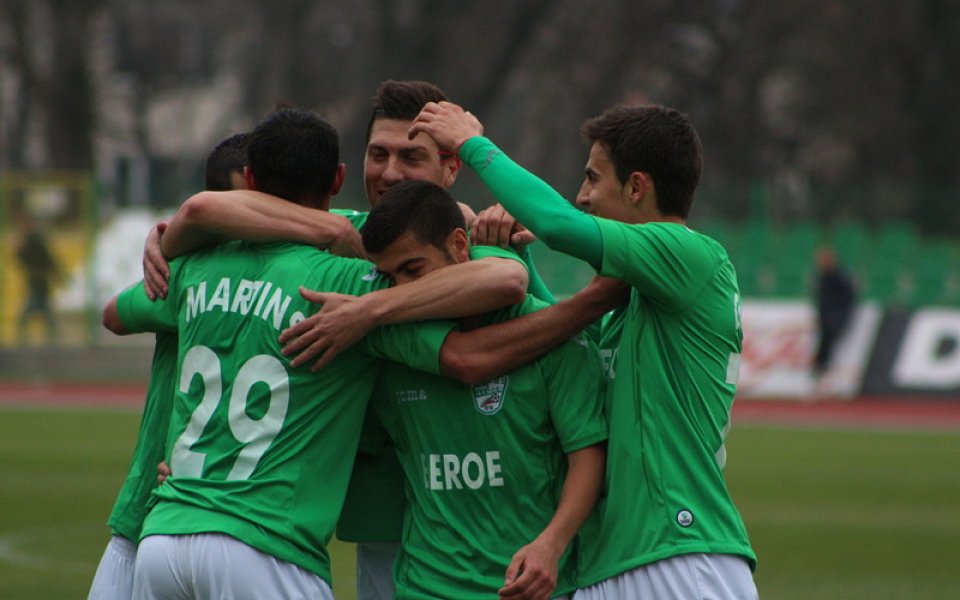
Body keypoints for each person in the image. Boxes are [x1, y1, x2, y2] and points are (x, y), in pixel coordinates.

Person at [140, 79, 556, 600]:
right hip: (384, 520)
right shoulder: (341, 239)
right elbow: (203, 213)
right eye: (377, 153)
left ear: (452, 169)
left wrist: (368, 311)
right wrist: (167, 236)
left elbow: (506, 285)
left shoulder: (470, 244)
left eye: (411, 156)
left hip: (490, 524)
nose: (389, 171)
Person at [410, 101, 758, 599]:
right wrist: (521, 259)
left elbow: (557, 223)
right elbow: (569, 341)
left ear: (637, 187)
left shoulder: (692, 255)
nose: (582, 195)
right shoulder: (632, 301)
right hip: (609, 563)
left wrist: (471, 142)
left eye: (593, 178)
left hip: (679, 553)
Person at [358, 179, 606, 600]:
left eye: (414, 270)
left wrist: (552, 543)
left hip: (527, 586)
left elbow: (588, 456)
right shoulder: (393, 344)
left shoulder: (552, 336)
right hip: (423, 587)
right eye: (390, 277)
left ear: (459, 246)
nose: (403, 291)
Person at [86, 132, 251, 600]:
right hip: (151, 517)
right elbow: (114, 314)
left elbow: (115, 314)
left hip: (220, 521)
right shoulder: (192, 271)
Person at [812, 245, 857, 388]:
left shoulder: (840, 275)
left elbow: (849, 296)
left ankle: (830, 379)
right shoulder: (821, 276)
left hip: (836, 318)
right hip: (826, 318)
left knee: (831, 347)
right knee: (824, 347)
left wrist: (839, 315)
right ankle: (821, 377)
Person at [16, 216, 60, 344]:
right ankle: (53, 335)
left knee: (36, 307)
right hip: (38, 280)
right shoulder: (32, 239)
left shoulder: (33, 240)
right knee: (42, 308)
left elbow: (45, 259)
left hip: (38, 280)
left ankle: (24, 335)